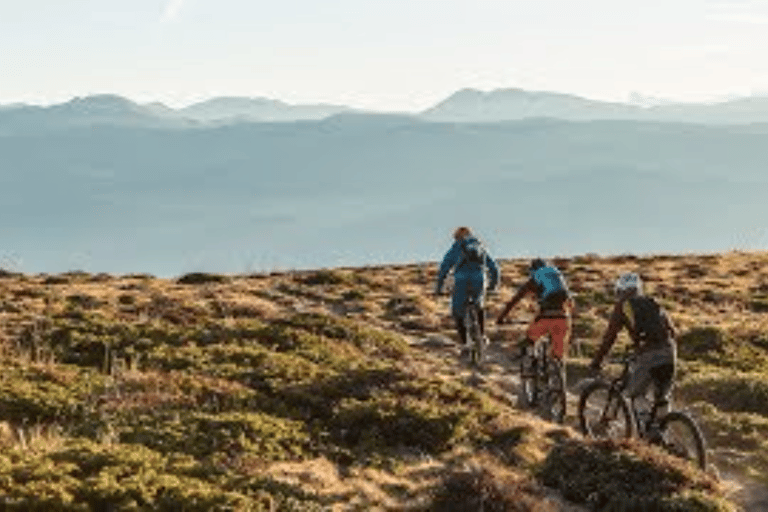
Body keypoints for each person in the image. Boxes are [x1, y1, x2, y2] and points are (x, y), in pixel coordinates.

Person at [589, 272, 677, 426]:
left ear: (620, 290)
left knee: (635, 395)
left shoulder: (623, 305)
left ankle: (650, 431)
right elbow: (672, 331)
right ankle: (663, 430)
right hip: (669, 352)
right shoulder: (652, 302)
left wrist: (597, 361)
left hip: (648, 355)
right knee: (662, 397)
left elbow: (610, 337)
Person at [435, 227, 500, 351]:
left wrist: (439, 288)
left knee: (457, 312)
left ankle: (465, 343)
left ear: (457, 237)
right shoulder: (480, 247)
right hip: (479, 279)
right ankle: (482, 335)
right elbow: (494, 269)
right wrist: (493, 285)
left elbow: (444, 268)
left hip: (461, 281)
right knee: (479, 305)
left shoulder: (456, 247)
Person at [496, 258, 573, 362]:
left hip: (545, 319)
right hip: (563, 318)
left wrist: (501, 318)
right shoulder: (558, 276)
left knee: (530, 338)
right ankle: (559, 371)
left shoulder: (534, 279)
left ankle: (525, 357)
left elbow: (513, 301)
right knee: (558, 353)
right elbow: (570, 302)